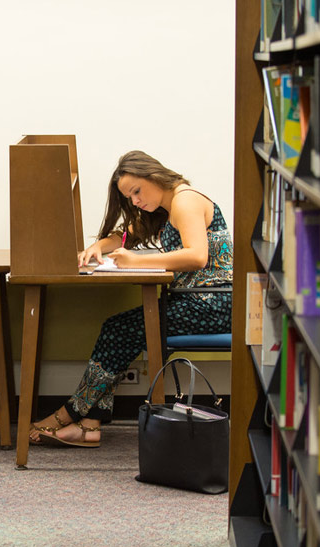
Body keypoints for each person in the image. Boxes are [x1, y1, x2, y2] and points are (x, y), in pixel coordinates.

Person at [30, 150, 233, 448]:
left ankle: (72, 414)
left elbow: (197, 256)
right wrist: (100, 246)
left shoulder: (185, 201)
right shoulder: (165, 209)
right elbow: (126, 236)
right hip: (195, 301)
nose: (135, 201)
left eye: (136, 191)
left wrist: (136, 261)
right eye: (130, 197)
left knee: (119, 330)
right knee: (117, 329)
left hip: (212, 303)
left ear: (153, 175)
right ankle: (88, 425)